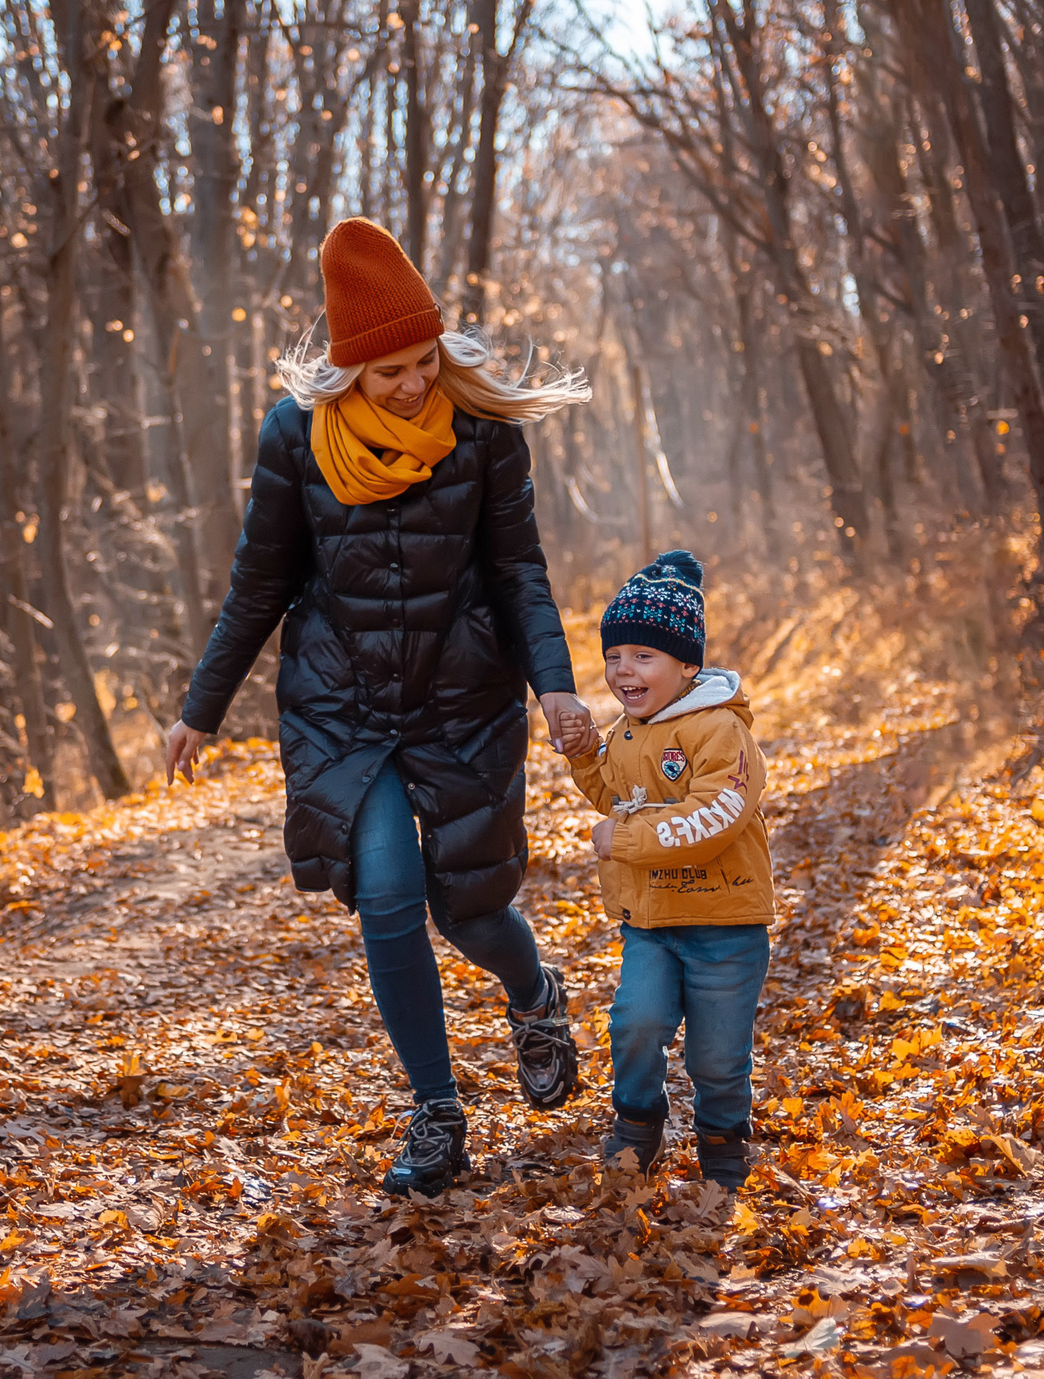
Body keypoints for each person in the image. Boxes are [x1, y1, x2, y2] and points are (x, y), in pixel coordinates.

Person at [163, 216, 598, 1197]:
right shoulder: (295, 438)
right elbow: (259, 582)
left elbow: (518, 571)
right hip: (340, 710)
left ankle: (533, 997)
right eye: (390, 369)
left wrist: (555, 683)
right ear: (346, 369)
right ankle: (438, 1114)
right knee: (389, 897)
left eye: (424, 361)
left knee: (470, 911)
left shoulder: (480, 433)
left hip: (462, 701)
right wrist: (202, 707)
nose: (413, 383)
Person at [563, 550, 775, 1192]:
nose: (624, 670)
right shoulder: (628, 732)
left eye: (644, 656)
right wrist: (584, 757)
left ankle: (721, 1132)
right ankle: (637, 1121)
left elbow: (716, 815)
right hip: (651, 922)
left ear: (688, 666)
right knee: (636, 1024)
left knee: (717, 1055)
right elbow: (617, 797)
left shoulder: (719, 731)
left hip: (724, 925)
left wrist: (621, 837)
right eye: (614, 656)